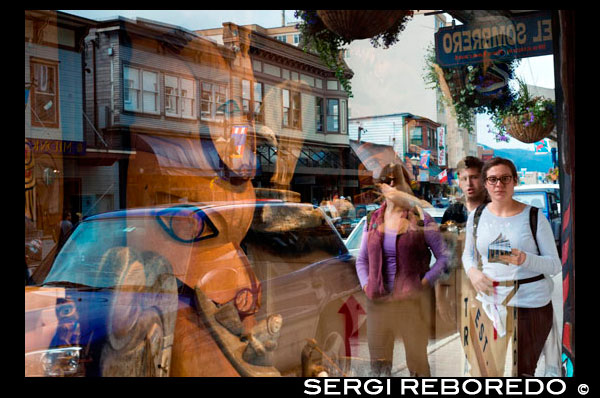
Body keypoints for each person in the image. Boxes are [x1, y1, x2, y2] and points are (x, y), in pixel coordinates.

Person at [462, 157, 561, 376]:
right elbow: (468, 255)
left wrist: (526, 259)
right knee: (485, 370)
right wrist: (473, 272)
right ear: (486, 184)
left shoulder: (534, 217)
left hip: (531, 305)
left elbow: (554, 265)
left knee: (523, 372)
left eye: (505, 178)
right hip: (490, 304)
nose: (499, 185)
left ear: (515, 181)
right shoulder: (476, 216)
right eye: (493, 179)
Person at [355, 163, 448, 377]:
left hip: (412, 305)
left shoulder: (421, 218)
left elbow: (444, 257)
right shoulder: (372, 220)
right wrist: (367, 284)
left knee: (418, 367)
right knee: (378, 370)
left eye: (396, 180)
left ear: (406, 185)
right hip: (378, 304)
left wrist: (422, 282)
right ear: (380, 186)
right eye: (386, 181)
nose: (391, 185)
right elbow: (361, 260)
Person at [442, 156, 488, 225]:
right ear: (460, 183)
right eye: (464, 179)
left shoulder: (496, 210)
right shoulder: (452, 212)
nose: (469, 183)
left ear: (484, 180)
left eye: (474, 177)